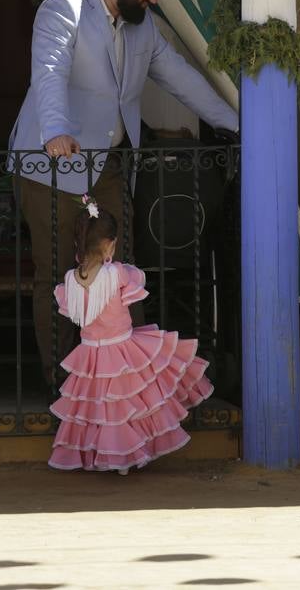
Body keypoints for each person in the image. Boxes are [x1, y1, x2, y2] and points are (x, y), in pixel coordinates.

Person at [9, 0, 238, 390]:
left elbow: (181, 78)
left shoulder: (143, 28)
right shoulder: (63, 7)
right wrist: (55, 130)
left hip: (109, 166)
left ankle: (125, 388)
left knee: (122, 272)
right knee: (57, 276)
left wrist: (237, 124)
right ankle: (63, 387)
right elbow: (50, 70)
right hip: (49, 166)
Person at [48, 196, 213, 473]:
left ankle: (108, 456)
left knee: (98, 409)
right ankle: (124, 458)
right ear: (109, 244)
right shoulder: (119, 273)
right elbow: (137, 284)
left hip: (90, 355)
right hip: (123, 351)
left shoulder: (69, 282)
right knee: (128, 405)